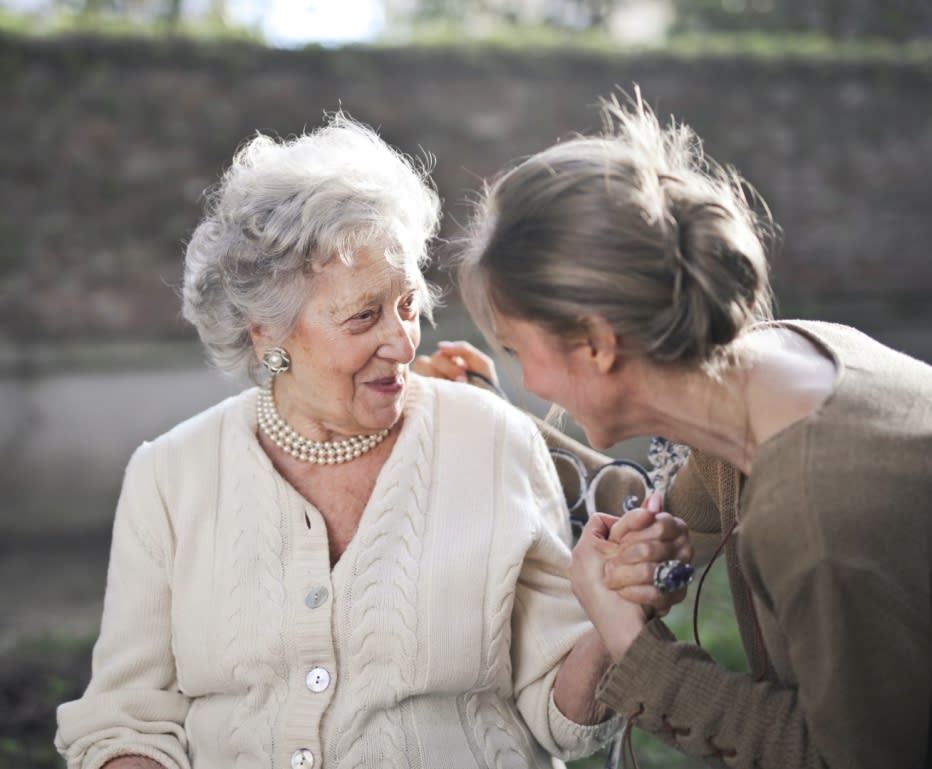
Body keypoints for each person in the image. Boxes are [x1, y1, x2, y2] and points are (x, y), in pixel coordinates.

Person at [53, 114, 698, 769]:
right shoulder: (170, 474)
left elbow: (561, 720)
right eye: (363, 316)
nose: (402, 341)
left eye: (409, 304)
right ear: (266, 334)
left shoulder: (490, 439)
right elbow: (126, 719)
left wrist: (613, 613)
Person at [423, 93, 932, 769]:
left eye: (519, 352)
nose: (533, 384)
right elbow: (658, 505)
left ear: (598, 344)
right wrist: (488, 412)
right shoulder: (784, 362)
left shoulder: (814, 512)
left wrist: (638, 654)